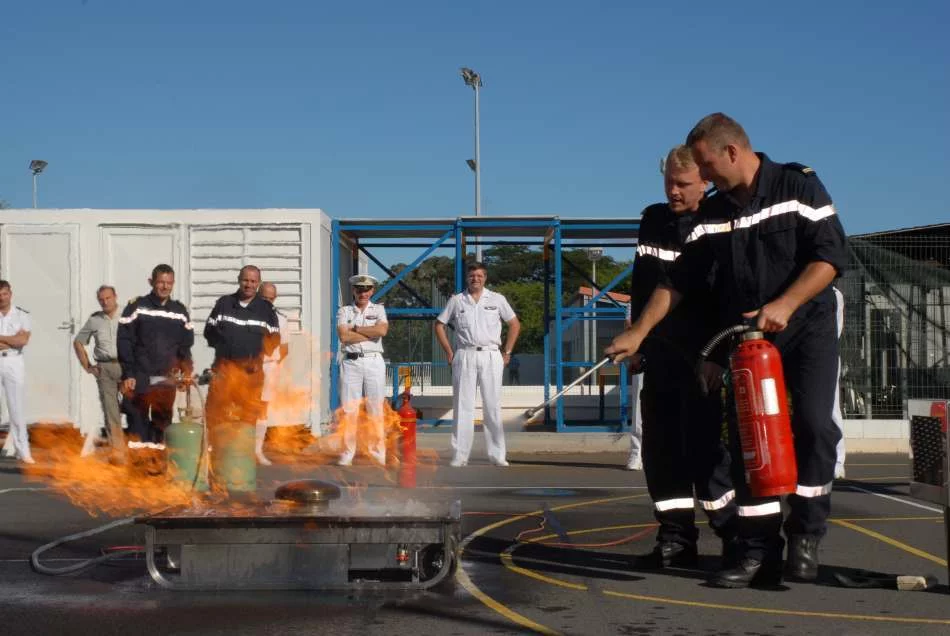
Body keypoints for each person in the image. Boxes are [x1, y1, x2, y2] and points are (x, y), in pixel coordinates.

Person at [607, 113, 847, 587]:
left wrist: (786, 302)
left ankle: (805, 533)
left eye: (706, 164)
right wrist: (638, 333)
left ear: (731, 151)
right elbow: (676, 282)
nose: (705, 175)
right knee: (746, 443)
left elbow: (830, 257)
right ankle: (758, 550)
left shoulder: (799, 187)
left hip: (807, 327)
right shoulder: (714, 214)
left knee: (813, 425)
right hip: (749, 338)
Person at [627, 146, 737, 568]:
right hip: (659, 356)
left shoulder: (719, 222)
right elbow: (642, 286)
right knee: (660, 450)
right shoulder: (653, 220)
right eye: (668, 181)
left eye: (683, 184)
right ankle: (675, 540)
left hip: (702, 357)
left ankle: (733, 537)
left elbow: (726, 296)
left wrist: (718, 356)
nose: (673, 191)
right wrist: (637, 338)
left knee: (706, 451)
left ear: (706, 180)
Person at [435, 262, 521, 467]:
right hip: (465, 355)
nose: (476, 279)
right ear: (467, 278)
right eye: (472, 275)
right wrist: (449, 351)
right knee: (463, 406)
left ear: (485, 278)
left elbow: (514, 324)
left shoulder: (497, 299)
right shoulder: (457, 300)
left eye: (480, 275)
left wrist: (507, 352)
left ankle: (497, 454)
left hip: (491, 355)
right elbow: (439, 325)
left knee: (492, 406)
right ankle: (460, 455)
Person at [203, 266, 280, 484]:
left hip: (250, 376)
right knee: (216, 418)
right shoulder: (224, 303)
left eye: (253, 281)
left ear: (258, 283)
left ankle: (242, 469)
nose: (248, 284)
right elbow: (209, 331)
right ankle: (216, 466)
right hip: (224, 374)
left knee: (247, 421)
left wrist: (256, 355)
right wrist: (227, 349)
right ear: (239, 280)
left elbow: (274, 338)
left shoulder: (265, 309)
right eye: (245, 280)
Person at [118, 265, 194, 471]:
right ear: (151, 282)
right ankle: (138, 467)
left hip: (165, 379)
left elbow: (185, 346)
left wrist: (186, 369)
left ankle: (158, 466)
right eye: (161, 282)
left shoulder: (179, 311)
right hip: (139, 377)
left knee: (162, 423)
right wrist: (128, 374)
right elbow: (124, 341)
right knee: (138, 422)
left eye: (169, 283)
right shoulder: (137, 307)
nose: (165, 287)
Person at [335, 274, 388, 466]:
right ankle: (348, 452)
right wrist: (369, 334)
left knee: (375, 407)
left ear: (372, 290)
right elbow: (344, 337)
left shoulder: (379, 309)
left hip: (374, 361)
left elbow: (381, 332)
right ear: (354, 290)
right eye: (359, 289)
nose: (362, 293)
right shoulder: (344, 311)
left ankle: (377, 451)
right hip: (351, 363)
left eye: (366, 289)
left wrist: (355, 328)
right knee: (349, 409)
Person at [74, 285, 126, 461]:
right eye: (101, 299)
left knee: (135, 410)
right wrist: (88, 366)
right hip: (105, 368)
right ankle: (119, 454)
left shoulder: (127, 316)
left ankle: (139, 449)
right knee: (111, 412)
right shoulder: (95, 320)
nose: (105, 302)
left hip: (127, 368)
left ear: (115, 296)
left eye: (108, 298)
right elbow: (78, 342)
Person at [0, 280, 34, 465]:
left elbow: (22, 341)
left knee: (16, 408)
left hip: (13, 361)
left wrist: (4, 339)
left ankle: (24, 451)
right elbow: (16, 339)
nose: (1, 297)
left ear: (10, 294)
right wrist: (12, 339)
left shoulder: (21, 315)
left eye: (4, 293)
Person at [256, 281, 290, 466]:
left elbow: (285, 348)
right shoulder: (248, 315)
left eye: (271, 298)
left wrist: (273, 365)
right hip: (247, 367)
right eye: (264, 298)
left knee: (262, 408)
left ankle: (257, 451)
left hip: (269, 366)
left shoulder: (281, 319)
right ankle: (241, 450)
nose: (268, 302)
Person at [832, 286, 847, 479]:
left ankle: (837, 462)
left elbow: (836, 329)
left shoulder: (835, 295)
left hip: (825, 353)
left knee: (831, 408)